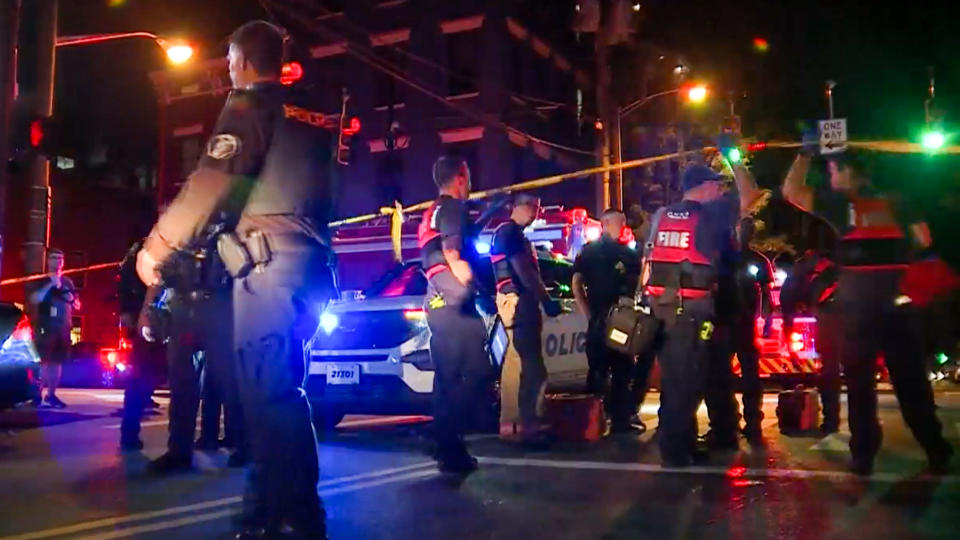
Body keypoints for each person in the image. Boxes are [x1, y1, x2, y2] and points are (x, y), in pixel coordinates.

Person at [137, 20, 336, 539]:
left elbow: (213, 182)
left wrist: (157, 248)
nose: (228, 71)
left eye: (228, 61)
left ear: (243, 62)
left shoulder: (250, 105)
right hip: (310, 273)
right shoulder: (312, 116)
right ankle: (288, 510)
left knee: (267, 395)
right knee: (282, 392)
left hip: (268, 274)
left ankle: (275, 516)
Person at [783, 151, 953, 475]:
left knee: (861, 390)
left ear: (848, 173)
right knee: (912, 385)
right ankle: (936, 448)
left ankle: (863, 456)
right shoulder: (900, 204)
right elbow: (924, 245)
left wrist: (803, 154)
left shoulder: (844, 208)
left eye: (833, 170)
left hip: (860, 312)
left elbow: (792, 192)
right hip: (898, 310)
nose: (831, 178)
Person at [642, 165, 741, 467]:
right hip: (692, 313)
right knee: (687, 380)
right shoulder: (708, 216)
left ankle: (681, 443)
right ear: (704, 186)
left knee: (675, 379)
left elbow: (647, 260)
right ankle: (675, 453)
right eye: (716, 185)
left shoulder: (661, 217)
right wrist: (732, 155)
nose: (719, 191)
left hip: (663, 310)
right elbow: (750, 194)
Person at [417, 155, 492, 474]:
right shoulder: (451, 207)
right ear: (461, 176)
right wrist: (467, 276)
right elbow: (452, 251)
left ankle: (446, 445)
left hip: (437, 305)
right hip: (454, 305)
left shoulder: (431, 210)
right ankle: (447, 437)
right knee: (477, 371)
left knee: (447, 378)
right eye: (469, 175)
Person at [148, 236, 243, 474]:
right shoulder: (179, 237)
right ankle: (179, 452)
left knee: (229, 382)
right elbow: (161, 277)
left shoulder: (225, 228)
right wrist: (152, 308)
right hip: (184, 311)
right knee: (181, 386)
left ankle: (245, 446)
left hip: (220, 309)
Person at [490, 194, 562, 446]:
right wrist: (546, 300)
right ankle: (531, 426)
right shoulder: (513, 235)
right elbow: (524, 271)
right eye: (531, 207)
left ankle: (511, 425)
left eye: (539, 208)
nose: (536, 212)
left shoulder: (503, 233)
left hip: (509, 300)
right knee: (533, 367)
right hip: (520, 302)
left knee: (515, 363)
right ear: (516, 207)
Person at [571, 208, 642, 434]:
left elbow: (638, 283)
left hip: (622, 320)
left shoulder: (628, 253)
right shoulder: (590, 252)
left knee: (622, 368)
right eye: (617, 221)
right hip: (602, 318)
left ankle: (620, 420)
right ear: (604, 222)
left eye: (623, 220)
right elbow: (577, 283)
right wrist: (588, 313)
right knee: (598, 369)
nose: (621, 224)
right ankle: (592, 421)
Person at [118, 239, 167, 451]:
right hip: (150, 315)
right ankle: (129, 433)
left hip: (174, 313)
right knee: (142, 375)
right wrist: (128, 310)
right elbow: (126, 277)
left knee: (151, 374)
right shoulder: (145, 246)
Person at [732, 218, 774, 445]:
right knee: (730, 376)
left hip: (744, 324)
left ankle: (751, 422)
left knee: (749, 376)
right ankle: (734, 420)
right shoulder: (727, 258)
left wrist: (765, 324)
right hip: (729, 323)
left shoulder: (757, 260)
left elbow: (767, 294)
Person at [29, 248, 80, 409]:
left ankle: (51, 395)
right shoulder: (41, 279)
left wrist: (69, 297)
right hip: (46, 326)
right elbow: (34, 299)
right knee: (44, 361)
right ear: (48, 261)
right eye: (54, 258)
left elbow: (77, 304)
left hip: (63, 326)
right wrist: (50, 285)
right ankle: (37, 395)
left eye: (60, 258)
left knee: (57, 362)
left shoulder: (67, 281)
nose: (57, 261)